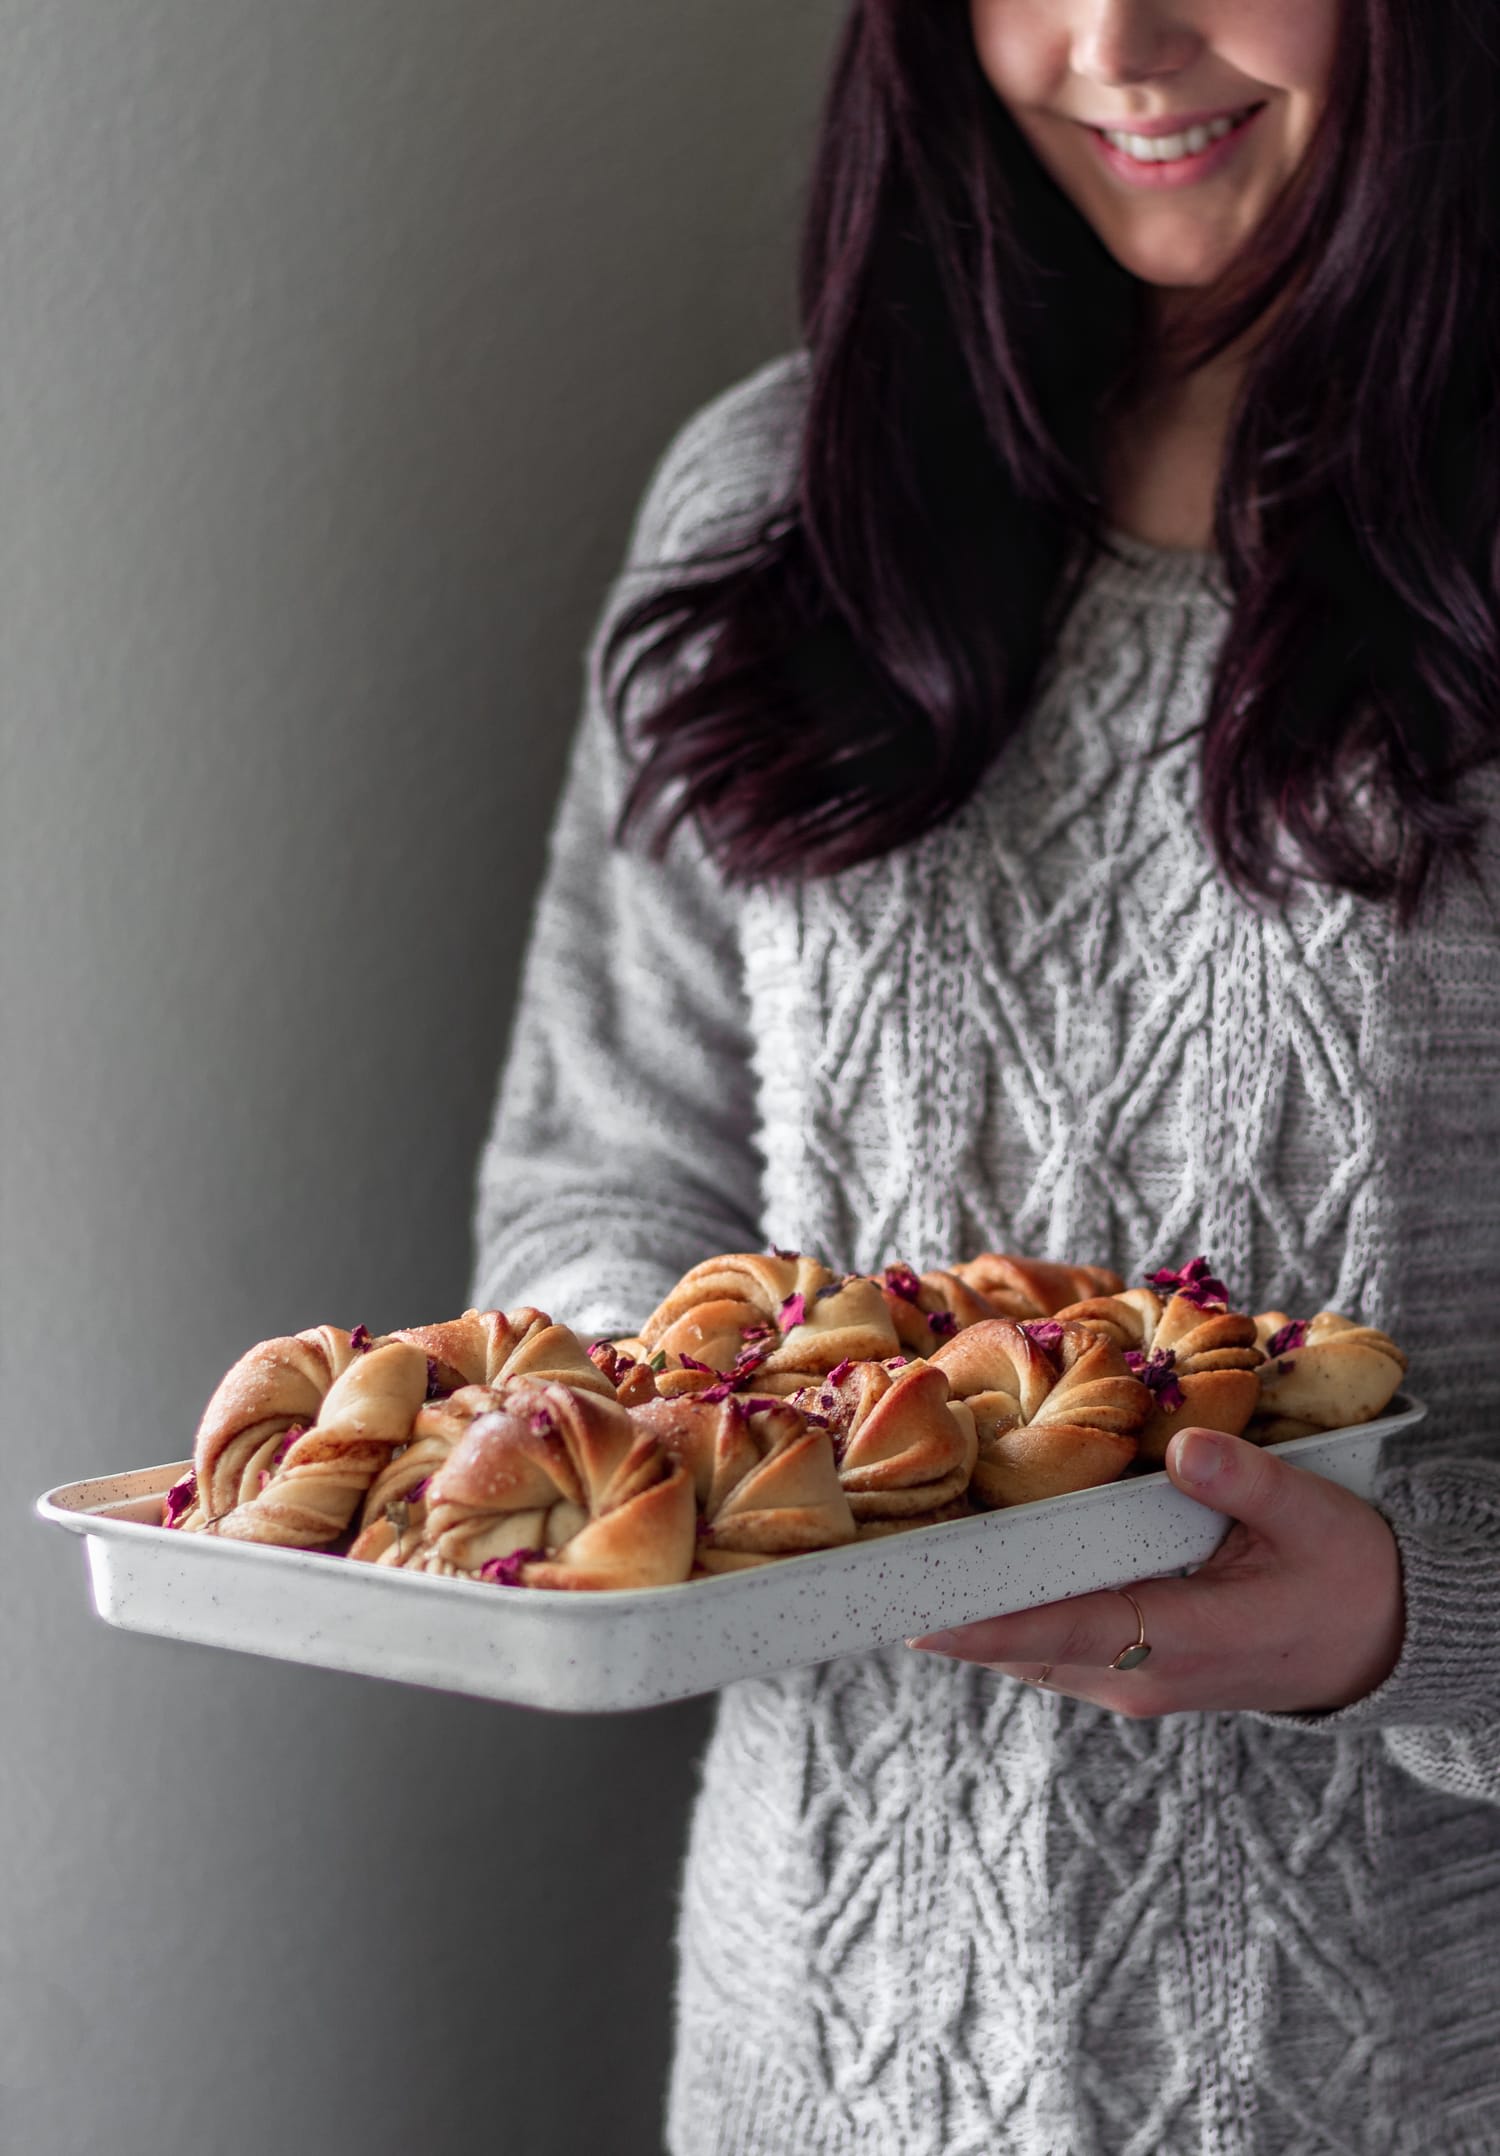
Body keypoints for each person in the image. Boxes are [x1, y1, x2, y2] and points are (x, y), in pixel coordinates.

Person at [473, 1, 1500, 2148]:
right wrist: (628, 1412)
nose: (1116, 42)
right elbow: (606, 1168)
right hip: (817, 2038)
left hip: (1395, 2064)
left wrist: (1414, 1612)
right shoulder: (776, 494)